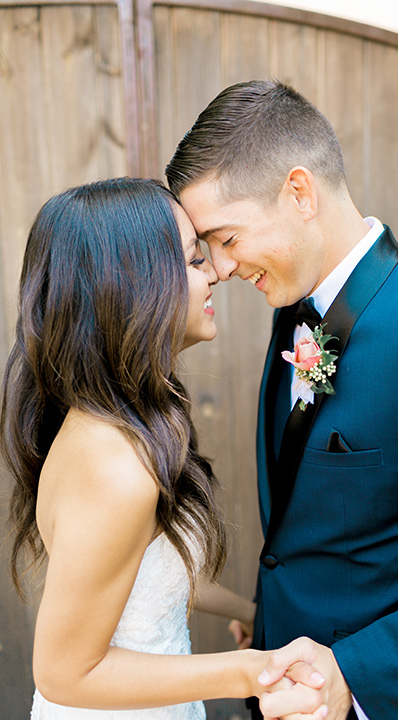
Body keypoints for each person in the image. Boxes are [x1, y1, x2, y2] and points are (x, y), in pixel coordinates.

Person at [166, 80, 398, 720]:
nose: (220, 269)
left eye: (226, 239)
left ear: (300, 193)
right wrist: (271, 619)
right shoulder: (296, 311)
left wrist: (356, 678)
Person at [0, 177, 304, 719]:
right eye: (193, 261)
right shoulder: (115, 465)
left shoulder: (121, 421)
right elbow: (65, 672)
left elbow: (146, 573)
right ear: (134, 287)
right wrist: (250, 672)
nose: (215, 272)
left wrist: (248, 610)